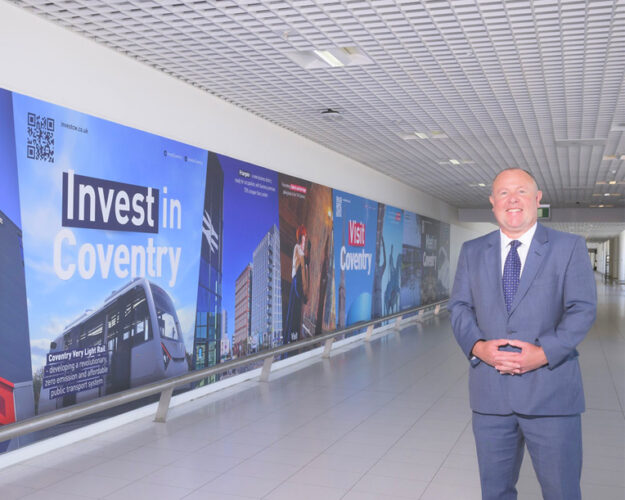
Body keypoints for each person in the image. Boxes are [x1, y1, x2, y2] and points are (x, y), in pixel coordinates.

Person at [449, 168, 596, 500]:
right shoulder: (473, 251)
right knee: (495, 492)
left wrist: (542, 353)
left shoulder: (568, 247)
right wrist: (478, 347)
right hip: (491, 397)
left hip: (552, 395)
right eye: (503, 193)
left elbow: (582, 308)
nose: (512, 200)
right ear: (492, 202)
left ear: (538, 199)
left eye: (521, 192)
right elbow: (459, 307)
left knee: (562, 492)